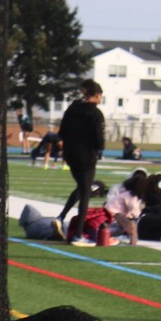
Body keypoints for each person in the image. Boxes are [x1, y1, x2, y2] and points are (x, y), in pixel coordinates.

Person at [57, 80, 105, 246]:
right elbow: (99, 139)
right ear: (96, 95)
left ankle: (61, 216)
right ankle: (78, 234)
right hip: (87, 157)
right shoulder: (96, 114)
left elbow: (62, 132)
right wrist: (100, 148)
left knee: (82, 186)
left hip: (70, 154)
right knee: (85, 193)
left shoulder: (72, 108)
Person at [104, 171, 148, 246]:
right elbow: (134, 211)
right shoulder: (130, 196)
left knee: (127, 226)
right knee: (133, 226)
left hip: (112, 215)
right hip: (114, 216)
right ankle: (133, 244)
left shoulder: (125, 193)